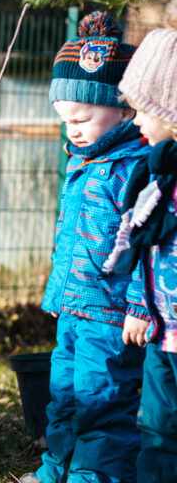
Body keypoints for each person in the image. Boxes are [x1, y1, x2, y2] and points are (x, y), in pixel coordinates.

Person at [17, 12, 147, 483]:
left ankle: (94, 476)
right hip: (73, 309)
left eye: (83, 118)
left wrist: (140, 307)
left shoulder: (137, 168)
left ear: (125, 110)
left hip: (112, 316)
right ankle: (56, 467)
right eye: (65, 119)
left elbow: (149, 247)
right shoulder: (82, 161)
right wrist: (57, 294)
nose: (71, 129)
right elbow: (67, 237)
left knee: (103, 401)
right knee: (64, 396)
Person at [103, 26, 177, 483]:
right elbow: (145, 250)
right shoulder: (157, 178)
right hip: (161, 334)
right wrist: (139, 307)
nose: (135, 122)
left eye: (143, 110)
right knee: (157, 429)